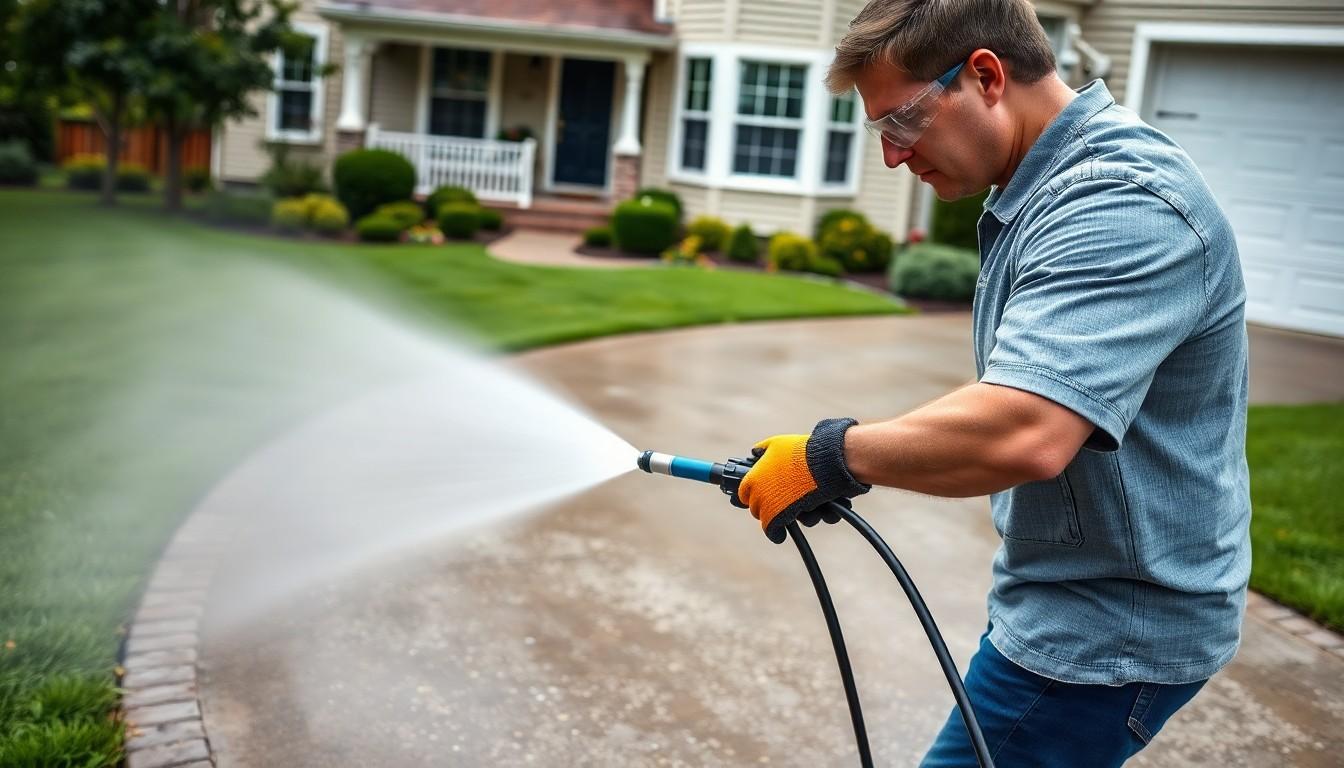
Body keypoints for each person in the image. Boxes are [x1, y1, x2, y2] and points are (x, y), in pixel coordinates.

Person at [735, 1, 1250, 765]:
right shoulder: (1047, 188)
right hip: (1068, 601)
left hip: (1104, 635)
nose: (893, 156)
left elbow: (1026, 428)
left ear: (984, 75)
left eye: (900, 122)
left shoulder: (1120, 203)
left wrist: (828, 458)